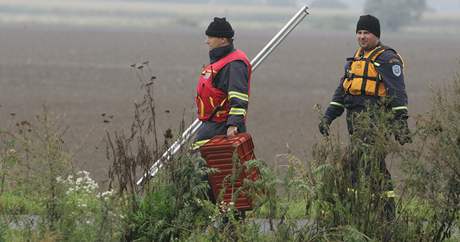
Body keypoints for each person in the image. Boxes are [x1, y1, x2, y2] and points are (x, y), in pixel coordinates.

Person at [318, 15, 411, 221]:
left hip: (376, 123)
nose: (362, 37)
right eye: (359, 33)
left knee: (371, 165)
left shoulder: (388, 59)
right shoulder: (356, 58)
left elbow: (397, 93)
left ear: (376, 35)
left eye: (366, 33)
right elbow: (342, 91)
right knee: (357, 167)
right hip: (355, 123)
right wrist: (328, 117)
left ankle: (386, 215)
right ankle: (358, 213)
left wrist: (401, 124)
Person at [192, 17, 251, 150]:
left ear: (223, 39)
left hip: (223, 127)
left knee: (213, 167)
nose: (207, 41)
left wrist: (233, 125)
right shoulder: (221, 61)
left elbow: (239, 97)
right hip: (211, 125)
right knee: (201, 166)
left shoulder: (235, 64)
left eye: (211, 37)